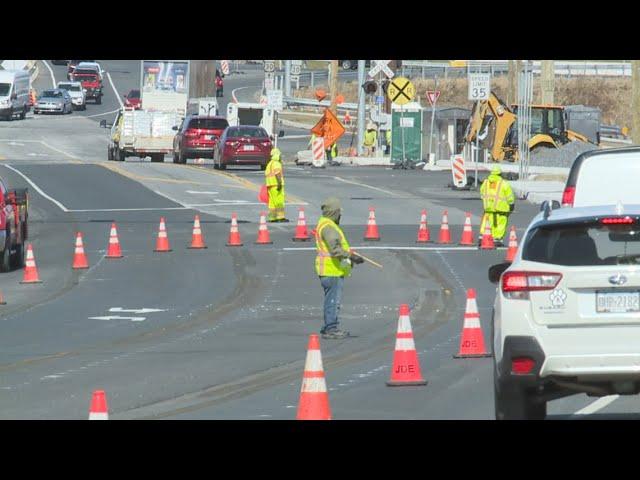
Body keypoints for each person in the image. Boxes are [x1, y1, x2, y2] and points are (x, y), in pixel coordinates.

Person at [314, 197, 364, 339]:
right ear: (334, 212)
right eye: (339, 212)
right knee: (333, 301)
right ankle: (331, 328)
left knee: (330, 299)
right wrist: (351, 256)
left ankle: (329, 326)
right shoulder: (328, 227)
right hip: (332, 270)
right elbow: (335, 249)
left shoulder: (324, 224)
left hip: (330, 269)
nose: (340, 215)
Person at [479, 165, 515, 246]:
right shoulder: (504, 184)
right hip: (501, 208)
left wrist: (487, 201)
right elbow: (510, 196)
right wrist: (511, 205)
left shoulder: (486, 182)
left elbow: (481, 193)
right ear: (499, 174)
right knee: (500, 223)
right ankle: (497, 239)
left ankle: (482, 237)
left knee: (487, 222)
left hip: (488, 207)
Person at [264, 147, 288, 222]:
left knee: (272, 203)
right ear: (277, 155)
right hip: (276, 185)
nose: (280, 156)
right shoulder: (276, 163)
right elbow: (277, 174)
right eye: (279, 155)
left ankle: (272, 217)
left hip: (270, 185)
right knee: (279, 201)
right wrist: (279, 184)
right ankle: (280, 217)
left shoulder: (269, 164)